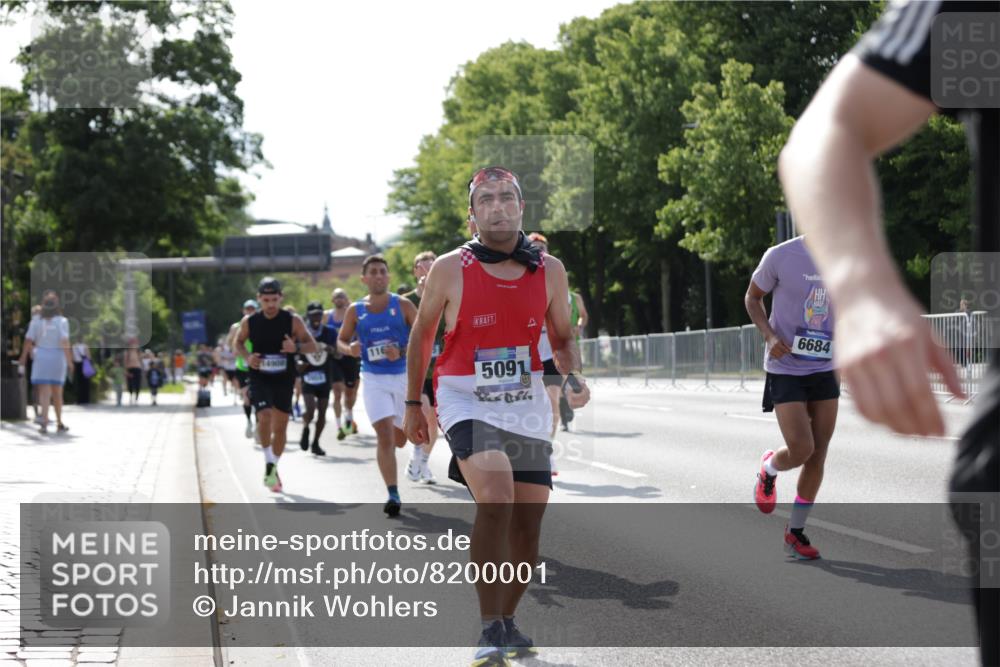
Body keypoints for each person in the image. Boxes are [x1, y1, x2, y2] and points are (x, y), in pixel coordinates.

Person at [777, 1, 997, 662]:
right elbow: (830, 128)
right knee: (806, 446)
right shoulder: (978, 12)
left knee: (816, 446)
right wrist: (864, 286)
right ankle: (782, 493)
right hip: (793, 365)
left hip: (820, 366)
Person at [404, 166, 590, 665]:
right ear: (472, 216)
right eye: (485, 199)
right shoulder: (450, 268)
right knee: (497, 497)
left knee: (528, 525)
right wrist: (413, 403)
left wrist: (573, 376)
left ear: (521, 208)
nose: (497, 206)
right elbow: (422, 335)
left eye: (506, 197)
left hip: (525, 400)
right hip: (464, 395)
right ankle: (488, 628)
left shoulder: (550, 270)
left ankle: (506, 620)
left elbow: (562, 337)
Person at [746, 236, 838, 560]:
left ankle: (795, 533)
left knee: (818, 455)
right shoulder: (780, 255)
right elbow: (752, 297)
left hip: (826, 367)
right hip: (785, 367)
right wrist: (769, 337)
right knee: (802, 449)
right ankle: (769, 468)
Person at [336, 255, 417, 517]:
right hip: (373, 378)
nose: (379, 276)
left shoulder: (402, 305)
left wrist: (401, 351)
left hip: (402, 377)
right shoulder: (355, 310)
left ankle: (402, 445)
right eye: (373, 272)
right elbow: (341, 340)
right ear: (364, 278)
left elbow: (423, 337)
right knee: (384, 435)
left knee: (401, 439)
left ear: (388, 276)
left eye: (382, 271)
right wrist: (349, 349)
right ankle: (393, 493)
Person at [235, 278, 318, 492]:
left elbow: (312, 346)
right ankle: (268, 460)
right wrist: (247, 357)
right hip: (259, 376)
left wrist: (295, 347)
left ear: (281, 298)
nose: (270, 304)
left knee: (280, 426)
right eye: (266, 300)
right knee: (264, 416)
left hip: (284, 378)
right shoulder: (250, 321)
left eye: (274, 299)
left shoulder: (293, 320)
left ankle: (273, 466)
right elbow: (238, 342)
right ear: (259, 299)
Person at [402, 250, 441, 484]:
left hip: (439, 368)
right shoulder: (406, 302)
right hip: (417, 369)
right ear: (415, 270)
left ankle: (423, 463)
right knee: (424, 411)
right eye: (423, 265)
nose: (427, 268)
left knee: (434, 420)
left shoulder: (445, 295)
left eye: (432, 264)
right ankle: (417, 452)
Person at [18, 291, 73, 434]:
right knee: (57, 393)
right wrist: (69, 361)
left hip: (41, 357)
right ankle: (59, 422)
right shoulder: (62, 321)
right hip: (57, 358)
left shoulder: (36, 321)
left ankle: (44, 422)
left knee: (44, 392)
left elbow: (28, 340)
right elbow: (64, 341)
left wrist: (23, 357)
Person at [297, 301, 338, 456]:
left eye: (319, 315)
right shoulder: (302, 333)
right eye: (313, 315)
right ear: (307, 316)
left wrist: (330, 349)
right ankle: (306, 427)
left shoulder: (330, 332)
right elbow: (294, 351)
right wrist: (298, 364)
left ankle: (315, 443)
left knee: (322, 413)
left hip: (325, 375)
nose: (316, 318)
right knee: (310, 410)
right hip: (307, 375)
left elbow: (338, 354)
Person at [326, 288, 361, 439]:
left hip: (350, 357)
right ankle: (339, 426)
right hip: (334, 358)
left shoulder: (353, 314)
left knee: (350, 392)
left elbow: (361, 334)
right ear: (332, 299)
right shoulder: (326, 316)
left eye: (342, 296)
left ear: (346, 299)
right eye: (337, 296)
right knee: (337, 392)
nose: (339, 299)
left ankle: (349, 417)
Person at [227, 300, 259, 440]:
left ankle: (258, 426)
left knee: (258, 397)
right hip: (242, 366)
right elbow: (231, 343)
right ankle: (249, 422)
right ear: (243, 310)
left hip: (257, 365)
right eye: (248, 309)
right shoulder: (236, 327)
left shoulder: (261, 323)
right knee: (247, 397)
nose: (250, 311)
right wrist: (236, 349)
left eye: (253, 309)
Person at [124, 340, 142, 405]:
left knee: (137, 384)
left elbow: (141, 361)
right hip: (130, 369)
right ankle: (131, 397)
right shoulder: (127, 353)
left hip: (137, 369)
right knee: (130, 384)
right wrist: (126, 371)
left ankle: (136, 398)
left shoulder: (138, 352)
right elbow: (125, 362)